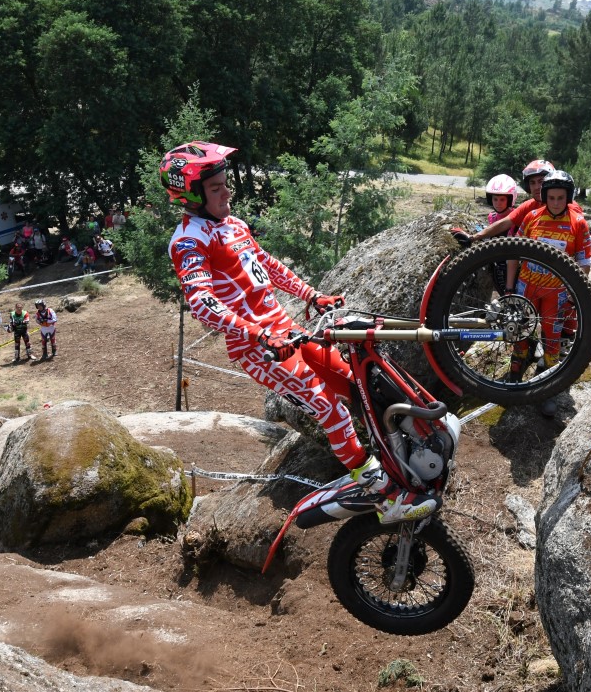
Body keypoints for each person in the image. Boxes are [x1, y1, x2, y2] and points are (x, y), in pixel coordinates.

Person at [161, 141, 437, 524]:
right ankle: (385, 497)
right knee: (328, 407)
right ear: (190, 194)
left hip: (288, 331)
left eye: (226, 183)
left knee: (357, 382)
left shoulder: (234, 225)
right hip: (257, 347)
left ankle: (400, 461)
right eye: (216, 188)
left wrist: (312, 295)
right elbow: (203, 303)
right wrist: (257, 334)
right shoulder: (189, 240)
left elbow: (268, 265)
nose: (227, 192)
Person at [508, 170, 591, 380]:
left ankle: (548, 376)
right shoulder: (532, 217)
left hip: (556, 292)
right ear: (545, 196)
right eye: (551, 198)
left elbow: (584, 263)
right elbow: (513, 251)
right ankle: (518, 363)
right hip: (527, 286)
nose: (555, 203)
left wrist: (576, 293)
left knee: (552, 333)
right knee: (520, 326)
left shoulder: (578, 222)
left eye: (561, 198)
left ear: (569, 197)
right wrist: (510, 288)